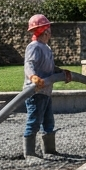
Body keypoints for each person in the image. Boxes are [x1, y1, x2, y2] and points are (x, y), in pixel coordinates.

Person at [22, 14, 61, 158]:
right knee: (34, 121)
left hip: (45, 91)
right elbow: (29, 65)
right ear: (42, 31)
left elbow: (50, 68)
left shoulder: (46, 48)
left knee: (48, 120)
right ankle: (30, 153)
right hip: (35, 92)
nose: (50, 33)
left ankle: (49, 150)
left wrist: (62, 73)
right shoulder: (34, 47)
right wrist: (33, 77)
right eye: (48, 30)